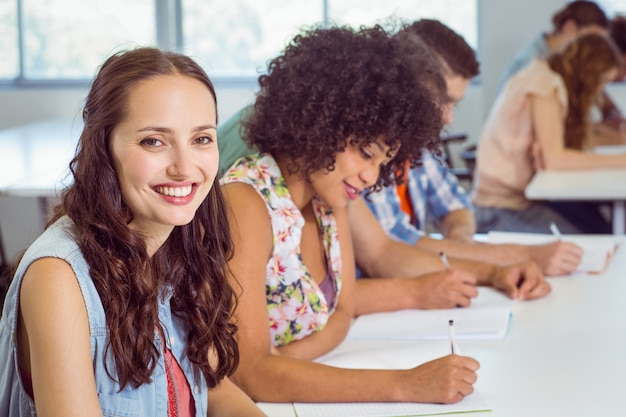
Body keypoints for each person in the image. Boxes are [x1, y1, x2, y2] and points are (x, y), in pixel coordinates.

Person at [221, 24, 484, 404]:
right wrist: (405, 384)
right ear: (318, 123)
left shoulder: (330, 200)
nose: (371, 175)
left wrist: (283, 364)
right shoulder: (245, 203)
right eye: (365, 152)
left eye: (384, 161)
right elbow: (250, 374)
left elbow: (343, 312)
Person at [0, 47, 265, 416]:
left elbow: (214, 390)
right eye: (153, 141)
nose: (185, 168)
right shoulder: (57, 279)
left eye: (201, 139)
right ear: (104, 149)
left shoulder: (180, 243)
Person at [362, 19, 583, 277]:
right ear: (407, 86)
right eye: (442, 101)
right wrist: (524, 257)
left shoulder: (418, 147)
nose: (448, 119)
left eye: (455, 104)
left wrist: (459, 235)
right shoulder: (367, 152)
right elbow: (395, 247)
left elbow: (455, 202)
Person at [473, 33, 626, 235]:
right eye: (601, 82)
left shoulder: (545, 74)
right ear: (589, 75)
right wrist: (620, 160)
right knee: (592, 241)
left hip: (519, 200)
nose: (600, 91)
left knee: (601, 228)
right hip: (500, 208)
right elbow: (555, 159)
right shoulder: (545, 84)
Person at [498, 1, 625, 146]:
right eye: (590, 42)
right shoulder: (533, 67)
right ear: (570, 28)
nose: (596, 52)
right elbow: (547, 139)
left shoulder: (570, 67)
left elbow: (603, 105)